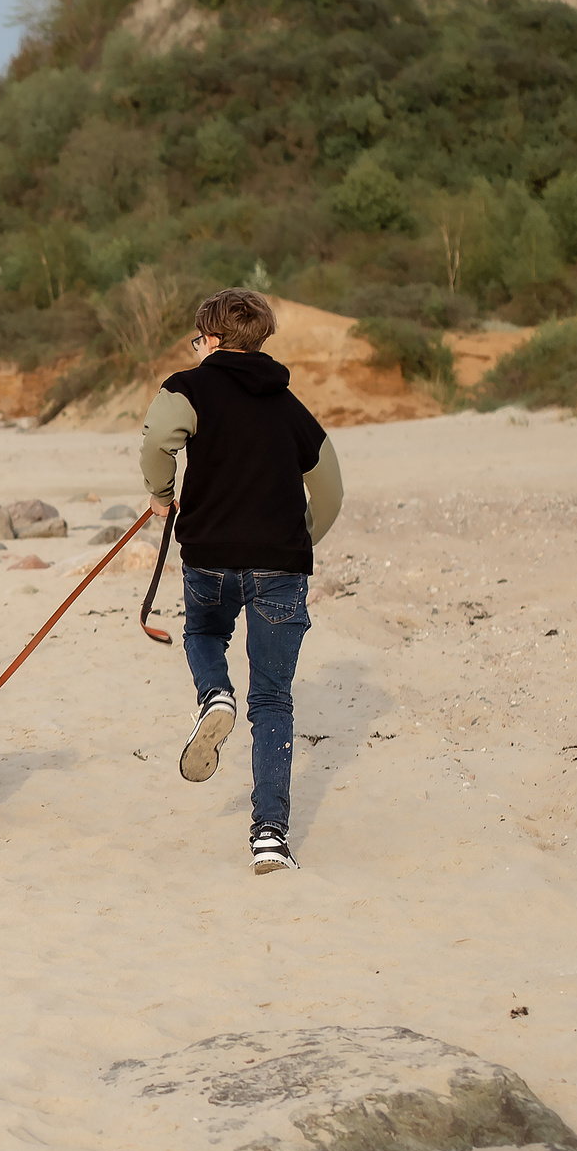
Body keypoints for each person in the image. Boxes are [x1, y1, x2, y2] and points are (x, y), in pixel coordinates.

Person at [138, 287, 345, 875]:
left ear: (211, 339)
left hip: (210, 558)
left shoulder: (189, 388)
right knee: (273, 700)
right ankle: (270, 838)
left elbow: (156, 443)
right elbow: (330, 490)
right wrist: (297, 541)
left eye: (197, 339)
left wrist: (161, 495)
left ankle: (214, 694)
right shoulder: (291, 407)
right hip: (280, 567)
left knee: (203, 634)